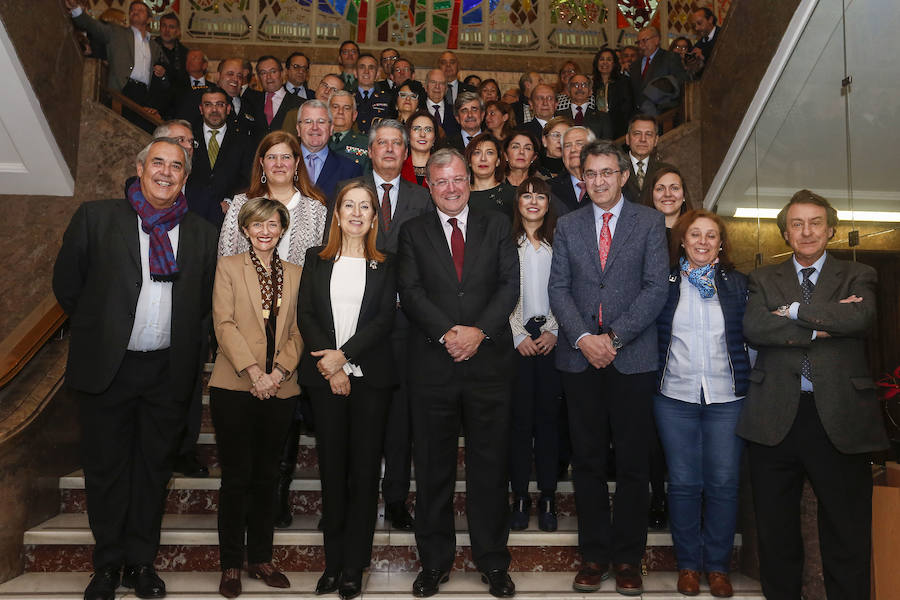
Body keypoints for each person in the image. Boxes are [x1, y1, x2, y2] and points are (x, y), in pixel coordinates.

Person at [53, 137, 217, 600]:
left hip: (167, 373)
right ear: (140, 169)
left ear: (186, 177)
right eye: (157, 163)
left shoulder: (203, 233)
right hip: (108, 369)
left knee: (152, 471)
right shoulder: (98, 218)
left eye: (176, 166)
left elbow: (204, 304)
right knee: (105, 471)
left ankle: (141, 563)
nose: (166, 172)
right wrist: (99, 330)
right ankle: (107, 565)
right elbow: (68, 286)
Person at [738, 190, 889, 600]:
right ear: (785, 233)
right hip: (774, 419)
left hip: (840, 417)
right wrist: (822, 325)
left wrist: (789, 313)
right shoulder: (762, 278)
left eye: (816, 223)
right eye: (797, 224)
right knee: (776, 532)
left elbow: (860, 317)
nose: (807, 232)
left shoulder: (859, 274)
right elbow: (755, 328)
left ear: (831, 230)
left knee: (847, 530)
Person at [548, 140, 668, 596]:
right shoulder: (569, 225)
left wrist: (614, 339)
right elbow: (559, 289)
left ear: (622, 176)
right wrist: (584, 339)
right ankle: (594, 556)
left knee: (635, 464)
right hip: (580, 360)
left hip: (632, 359)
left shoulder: (649, 222)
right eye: (590, 174)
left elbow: (656, 289)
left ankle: (628, 559)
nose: (598, 181)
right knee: (589, 462)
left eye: (606, 173)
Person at [398, 148, 519, 598]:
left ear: (470, 180)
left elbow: (510, 286)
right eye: (441, 181)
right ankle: (434, 562)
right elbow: (409, 291)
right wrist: (450, 333)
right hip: (433, 366)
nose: (451, 188)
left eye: (457, 180)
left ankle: (493, 562)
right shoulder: (412, 232)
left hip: (489, 366)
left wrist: (479, 332)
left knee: (490, 467)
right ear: (429, 185)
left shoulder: (497, 225)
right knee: (433, 470)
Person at [300, 181, 398, 600]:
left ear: (374, 218)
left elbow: (382, 322)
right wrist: (331, 367)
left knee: (362, 474)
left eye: (365, 207)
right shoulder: (315, 259)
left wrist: (344, 357)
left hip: (370, 382)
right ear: (336, 214)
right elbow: (306, 313)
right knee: (332, 473)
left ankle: (355, 566)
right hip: (325, 381)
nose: (357, 213)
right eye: (349, 206)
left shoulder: (387, 263)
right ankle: (333, 563)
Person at [338, 121, 434, 533]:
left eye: (398, 143)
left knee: (400, 420)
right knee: (354, 418)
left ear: (406, 150)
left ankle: (395, 497)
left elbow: (430, 258)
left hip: (407, 328)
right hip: (356, 325)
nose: (391, 150)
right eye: (383, 144)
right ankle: (347, 498)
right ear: (370, 150)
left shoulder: (421, 196)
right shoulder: (350, 192)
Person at [210, 198, 303, 599]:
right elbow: (224, 324)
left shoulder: (298, 274)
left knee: (268, 476)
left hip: (281, 387)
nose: (265, 230)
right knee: (236, 477)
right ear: (245, 228)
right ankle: (231, 562)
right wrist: (253, 372)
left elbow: (302, 331)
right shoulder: (229, 267)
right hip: (235, 384)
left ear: (282, 229)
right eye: (257, 224)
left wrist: (278, 372)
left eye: (272, 224)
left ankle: (261, 557)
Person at [654, 210, 750, 598]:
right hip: (674, 396)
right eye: (695, 234)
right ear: (683, 239)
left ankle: (718, 567)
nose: (703, 241)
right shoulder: (663, 282)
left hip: (727, 397)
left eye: (712, 235)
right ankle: (689, 566)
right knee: (683, 484)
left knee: (724, 483)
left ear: (721, 243)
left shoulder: (738, 285)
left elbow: (752, 337)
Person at [508, 176, 562, 533]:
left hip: (552, 343)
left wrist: (554, 330)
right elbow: (497, 291)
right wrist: (516, 334)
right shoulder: (505, 244)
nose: (532, 201)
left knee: (549, 425)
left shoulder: (560, 244)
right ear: (518, 203)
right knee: (517, 426)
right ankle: (520, 497)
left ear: (547, 203)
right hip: (515, 345)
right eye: (526, 195)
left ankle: (547, 497)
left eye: (539, 196)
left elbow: (570, 290)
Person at [218, 131, 327, 267]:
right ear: (262, 162)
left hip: (298, 288)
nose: (279, 164)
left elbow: (320, 267)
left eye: (286, 157)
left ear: (297, 162)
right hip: (244, 288)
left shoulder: (316, 211)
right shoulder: (240, 204)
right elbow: (225, 259)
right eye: (271, 157)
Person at [66, 0, 167, 127]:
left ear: (149, 19)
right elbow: (93, 26)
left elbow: (166, 74)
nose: (134, 12)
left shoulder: (155, 46)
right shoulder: (116, 33)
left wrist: (163, 74)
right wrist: (76, 10)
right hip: (122, 90)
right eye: (132, 10)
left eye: (140, 10)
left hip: (144, 96)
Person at [186, 86, 254, 229]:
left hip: (228, 215)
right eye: (208, 105)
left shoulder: (244, 140)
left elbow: (248, 176)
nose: (214, 110)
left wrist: (230, 200)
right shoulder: (187, 137)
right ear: (201, 109)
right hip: (191, 211)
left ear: (228, 109)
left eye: (220, 104)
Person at [295, 100, 363, 209]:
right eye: (308, 121)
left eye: (321, 122)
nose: (315, 127)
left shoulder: (350, 170)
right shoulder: (283, 165)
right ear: (298, 129)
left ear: (331, 129)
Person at [630, 27, 687, 115]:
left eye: (644, 41)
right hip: (640, 116)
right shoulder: (635, 65)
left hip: (664, 116)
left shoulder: (670, 58)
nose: (641, 45)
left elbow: (681, 83)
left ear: (656, 40)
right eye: (638, 42)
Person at [247, 55, 304, 135]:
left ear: (282, 73)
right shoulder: (250, 102)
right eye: (263, 73)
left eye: (273, 72)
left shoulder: (300, 104)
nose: (269, 77)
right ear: (259, 78)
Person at [465, 132, 515, 220]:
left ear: (498, 161)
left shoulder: (513, 194)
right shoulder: (460, 195)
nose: (483, 158)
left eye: (490, 153)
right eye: (477, 153)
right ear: (469, 161)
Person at [547, 125, 595, 212]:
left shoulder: (607, 184)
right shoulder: (549, 188)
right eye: (567, 146)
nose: (573, 149)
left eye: (579, 144)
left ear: (593, 149)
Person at [591, 48, 635, 139]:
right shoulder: (591, 83)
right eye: (602, 59)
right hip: (595, 128)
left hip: (618, 128)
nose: (605, 62)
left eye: (609, 60)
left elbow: (628, 107)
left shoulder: (623, 81)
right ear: (597, 62)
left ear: (614, 63)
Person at [556, 74, 612, 141]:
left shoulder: (603, 117)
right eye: (575, 85)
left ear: (590, 91)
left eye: (584, 85)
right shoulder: (558, 116)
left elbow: (606, 145)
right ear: (568, 91)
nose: (579, 88)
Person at [639, 163, 690, 234]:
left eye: (674, 188)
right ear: (652, 195)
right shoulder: (638, 233)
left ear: (684, 195)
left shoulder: (697, 230)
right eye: (660, 189)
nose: (667, 194)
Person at [328, 90, 371, 171]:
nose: (340, 112)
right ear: (327, 112)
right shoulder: (317, 140)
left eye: (346, 108)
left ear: (354, 115)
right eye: (335, 107)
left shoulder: (365, 143)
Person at [622, 114, 661, 202]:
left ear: (656, 140)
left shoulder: (665, 171)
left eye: (649, 134)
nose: (643, 139)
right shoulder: (615, 168)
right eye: (637, 134)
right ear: (627, 139)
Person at [354, 53, 391, 134]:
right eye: (362, 67)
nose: (366, 72)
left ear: (377, 74)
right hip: (351, 144)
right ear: (355, 73)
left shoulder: (387, 99)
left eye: (371, 68)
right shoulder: (347, 97)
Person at [403, 110, 442, 187]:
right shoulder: (398, 167)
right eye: (416, 129)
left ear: (434, 138)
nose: (422, 134)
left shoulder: (443, 168)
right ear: (408, 135)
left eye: (428, 130)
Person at [424, 69, 459, 137]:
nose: (437, 87)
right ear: (425, 87)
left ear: (446, 89)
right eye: (433, 82)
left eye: (441, 83)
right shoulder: (417, 110)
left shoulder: (455, 112)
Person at [524, 84, 558, 150]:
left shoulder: (568, 129)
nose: (545, 103)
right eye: (539, 98)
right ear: (531, 104)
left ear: (556, 104)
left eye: (550, 98)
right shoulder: (521, 131)